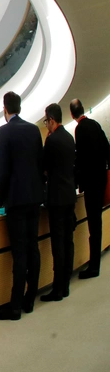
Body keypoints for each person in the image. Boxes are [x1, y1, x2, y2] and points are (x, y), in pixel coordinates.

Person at [0, 92, 44, 321]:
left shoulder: (4, 131)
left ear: (4, 109)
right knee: (33, 248)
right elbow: (40, 164)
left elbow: (4, 171)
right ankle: (30, 299)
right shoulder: (34, 130)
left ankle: (15, 306)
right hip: (34, 198)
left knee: (19, 254)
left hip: (16, 202)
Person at [70, 98, 110, 279]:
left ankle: (94, 267)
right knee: (98, 224)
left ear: (72, 114)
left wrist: (78, 182)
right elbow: (107, 149)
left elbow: (82, 159)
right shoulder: (95, 125)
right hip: (101, 180)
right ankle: (96, 263)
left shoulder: (80, 129)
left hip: (91, 183)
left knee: (93, 225)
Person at [41, 103, 77, 301]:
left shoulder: (52, 140)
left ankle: (58, 289)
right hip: (69, 196)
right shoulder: (69, 137)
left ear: (51, 120)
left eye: (46, 121)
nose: (46, 125)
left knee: (58, 245)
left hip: (56, 198)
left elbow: (44, 168)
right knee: (68, 241)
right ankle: (66, 285)